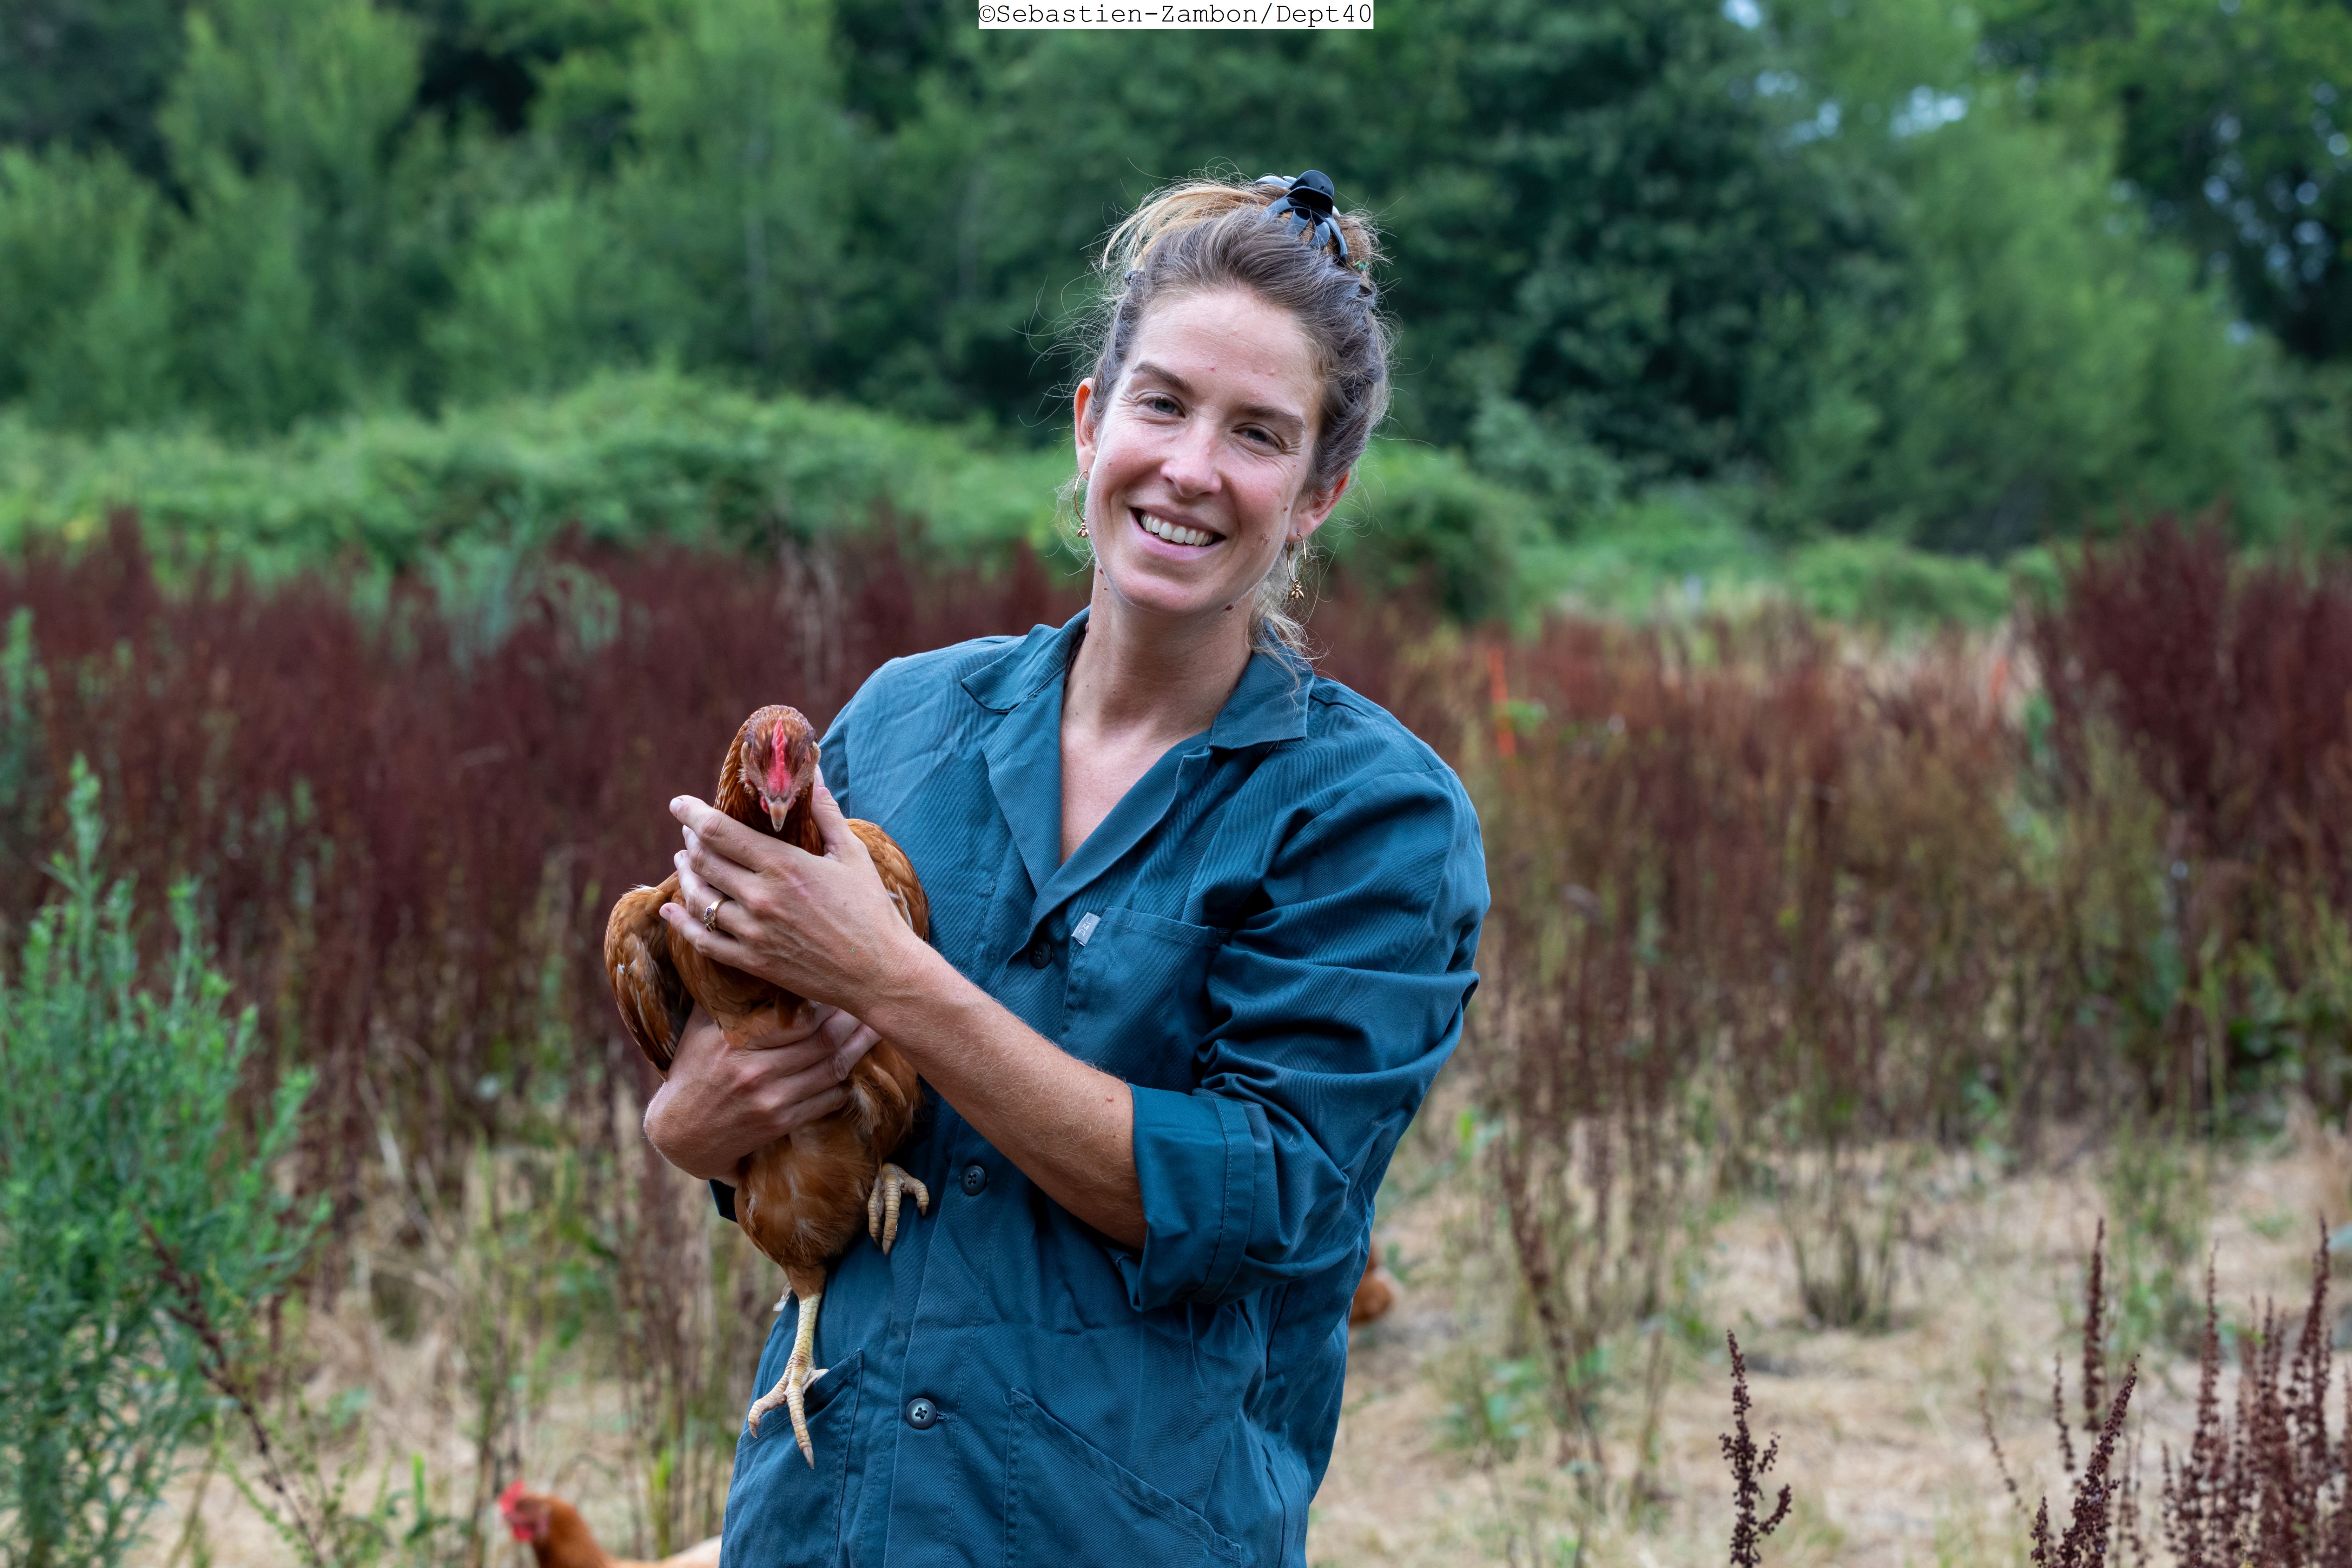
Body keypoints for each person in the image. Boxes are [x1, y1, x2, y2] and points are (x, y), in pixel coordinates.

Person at [641, 169, 1487, 1567]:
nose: (1192, 467)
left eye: (1257, 433)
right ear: (1092, 422)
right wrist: (689, 1125)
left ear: (1318, 494)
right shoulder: (901, 724)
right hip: (833, 1514)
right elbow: (772, 1112)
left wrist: (892, 981)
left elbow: (1257, 1203)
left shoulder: (1371, 817)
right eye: (1162, 404)